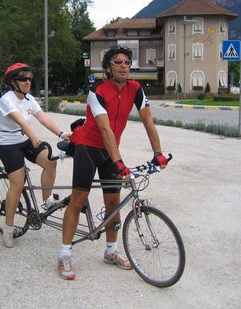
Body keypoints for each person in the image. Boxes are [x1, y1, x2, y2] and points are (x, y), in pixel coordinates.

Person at [58, 45, 169, 280]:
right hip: (88, 147)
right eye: (118, 62)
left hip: (110, 150)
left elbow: (149, 122)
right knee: (78, 199)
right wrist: (119, 161)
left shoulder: (136, 89)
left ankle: (111, 251)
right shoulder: (97, 91)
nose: (124, 66)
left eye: (127, 63)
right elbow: (105, 128)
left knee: (113, 202)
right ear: (108, 68)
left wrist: (158, 152)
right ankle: (65, 253)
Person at [0, 62, 70, 248]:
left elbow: (43, 117)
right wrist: (33, 136)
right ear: (13, 82)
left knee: (50, 162)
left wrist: (61, 134)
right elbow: (20, 121)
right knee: (18, 184)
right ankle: (9, 228)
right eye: (23, 79)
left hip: (23, 139)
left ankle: (46, 201)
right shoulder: (6, 99)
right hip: (7, 143)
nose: (27, 82)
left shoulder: (28, 99)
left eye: (29, 78)